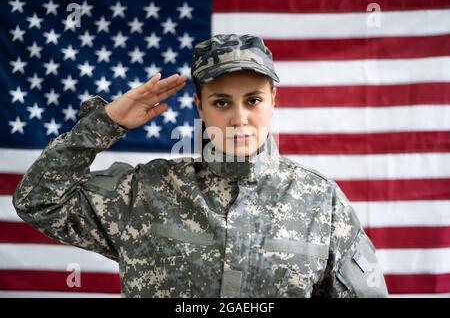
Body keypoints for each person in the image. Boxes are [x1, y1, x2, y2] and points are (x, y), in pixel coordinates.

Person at [13, 34, 388, 298]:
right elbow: (39, 200)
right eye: (222, 103)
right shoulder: (147, 192)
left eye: (253, 100)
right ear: (199, 106)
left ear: (273, 100)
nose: (239, 118)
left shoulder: (322, 203)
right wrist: (105, 123)